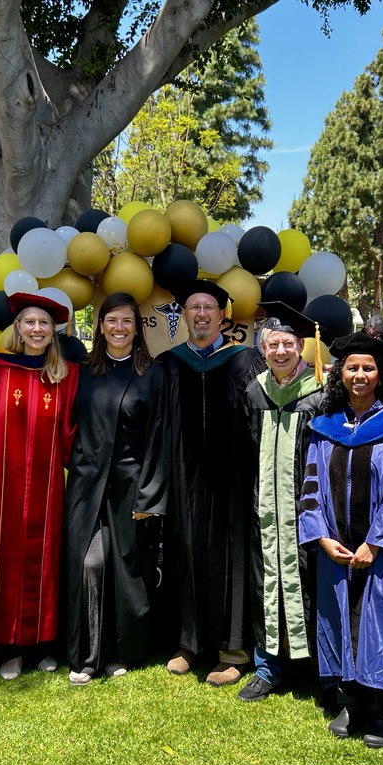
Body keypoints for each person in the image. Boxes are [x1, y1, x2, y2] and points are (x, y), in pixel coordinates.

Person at [299, 333, 383, 747]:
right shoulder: (324, 427)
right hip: (336, 550)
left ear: (380, 375)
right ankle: (350, 701)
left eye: (368, 368)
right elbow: (310, 487)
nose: (359, 375)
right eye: (352, 367)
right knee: (338, 620)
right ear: (341, 372)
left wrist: (376, 543)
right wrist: (320, 536)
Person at [156, 281, 266, 685]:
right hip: (185, 478)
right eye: (193, 308)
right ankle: (188, 643)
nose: (200, 314)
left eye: (208, 308)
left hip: (232, 481)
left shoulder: (244, 360)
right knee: (185, 552)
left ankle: (233, 650)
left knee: (232, 557)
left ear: (223, 315)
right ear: (184, 315)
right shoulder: (170, 364)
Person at [64, 292, 168, 684]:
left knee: (127, 570)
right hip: (87, 485)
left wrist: (150, 494)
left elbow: (160, 436)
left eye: (127, 321)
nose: (119, 328)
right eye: (112, 320)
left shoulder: (152, 375)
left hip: (131, 485)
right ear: (100, 325)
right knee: (91, 564)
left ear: (136, 327)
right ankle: (87, 656)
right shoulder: (82, 371)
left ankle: (121, 651)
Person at [0, 292, 79, 679]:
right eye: (30, 322)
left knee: (47, 561)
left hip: (49, 486)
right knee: (7, 560)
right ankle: (10, 648)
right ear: (17, 328)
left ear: (54, 332)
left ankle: (44, 644)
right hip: (4, 485)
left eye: (45, 324)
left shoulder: (65, 375)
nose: (37, 329)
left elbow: (71, 432)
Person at [238, 304, 325, 702]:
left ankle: (322, 670)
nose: (280, 351)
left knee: (313, 586)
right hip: (265, 512)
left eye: (288, 344)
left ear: (302, 346)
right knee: (265, 586)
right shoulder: (254, 391)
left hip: (310, 514)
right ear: (264, 349)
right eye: (273, 345)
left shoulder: (320, 393)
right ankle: (268, 667)